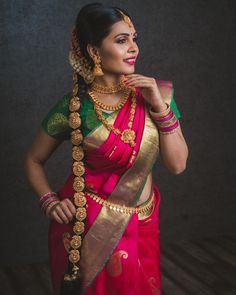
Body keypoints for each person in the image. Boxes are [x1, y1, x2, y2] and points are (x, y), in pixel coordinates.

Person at [24, 3, 188, 295]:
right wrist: (50, 201)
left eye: (134, 38)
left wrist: (160, 108)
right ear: (94, 51)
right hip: (89, 226)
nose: (134, 48)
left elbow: (177, 165)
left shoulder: (155, 95)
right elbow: (33, 159)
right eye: (121, 40)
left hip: (143, 219)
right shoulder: (75, 107)